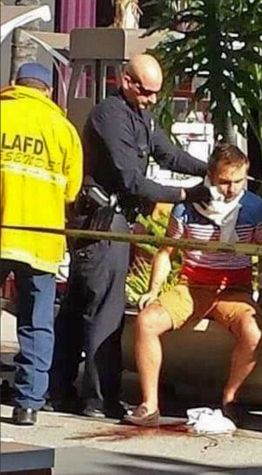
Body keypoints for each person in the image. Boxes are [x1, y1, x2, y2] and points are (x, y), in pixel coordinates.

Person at [48, 54, 210, 419]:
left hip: (114, 221)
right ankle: (99, 397)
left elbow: (168, 155)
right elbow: (131, 180)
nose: (152, 99)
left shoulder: (142, 115)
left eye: (156, 92)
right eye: (146, 91)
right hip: (104, 223)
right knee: (104, 312)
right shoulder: (110, 116)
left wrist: (210, 170)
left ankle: (58, 386)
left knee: (77, 307)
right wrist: (185, 195)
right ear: (126, 80)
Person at [123, 143, 262, 427]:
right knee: (147, 321)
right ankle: (149, 404)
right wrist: (154, 290)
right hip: (192, 287)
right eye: (224, 182)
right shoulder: (186, 206)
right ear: (210, 177)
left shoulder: (255, 208)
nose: (231, 189)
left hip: (234, 290)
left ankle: (230, 400)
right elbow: (166, 252)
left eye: (238, 182)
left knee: (252, 331)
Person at [0, 63, 83, 425]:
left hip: (2, 232)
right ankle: (29, 403)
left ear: (15, 85)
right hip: (41, 240)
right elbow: (72, 190)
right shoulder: (64, 130)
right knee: (36, 323)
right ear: (49, 91)